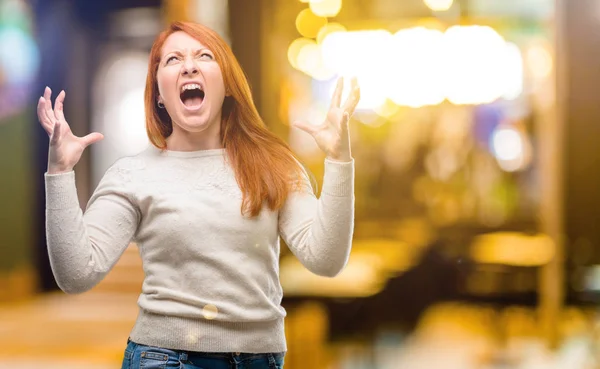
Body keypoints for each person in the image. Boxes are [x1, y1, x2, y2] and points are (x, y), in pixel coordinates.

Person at [38, 21, 360, 369]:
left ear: (228, 86)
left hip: (260, 359)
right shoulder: (133, 175)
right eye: (173, 59)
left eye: (204, 56)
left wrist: (339, 160)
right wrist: (59, 173)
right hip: (164, 359)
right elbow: (75, 274)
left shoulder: (274, 166)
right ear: (159, 94)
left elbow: (325, 260)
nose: (189, 65)